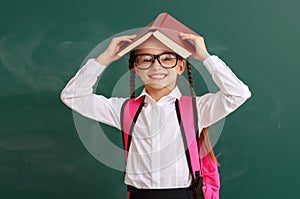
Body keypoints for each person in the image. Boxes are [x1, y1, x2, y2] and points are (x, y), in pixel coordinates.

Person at [61, 32, 251, 199]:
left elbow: (238, 94)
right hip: (140, 195)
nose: (156, 66)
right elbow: (73, 96)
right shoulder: (124, 110)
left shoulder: (197, 109)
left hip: (184, 193)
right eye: (146, 59)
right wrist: (104, 58)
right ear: (136, 67)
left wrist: (205, 57)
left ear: (180, 66)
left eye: (167, 59)